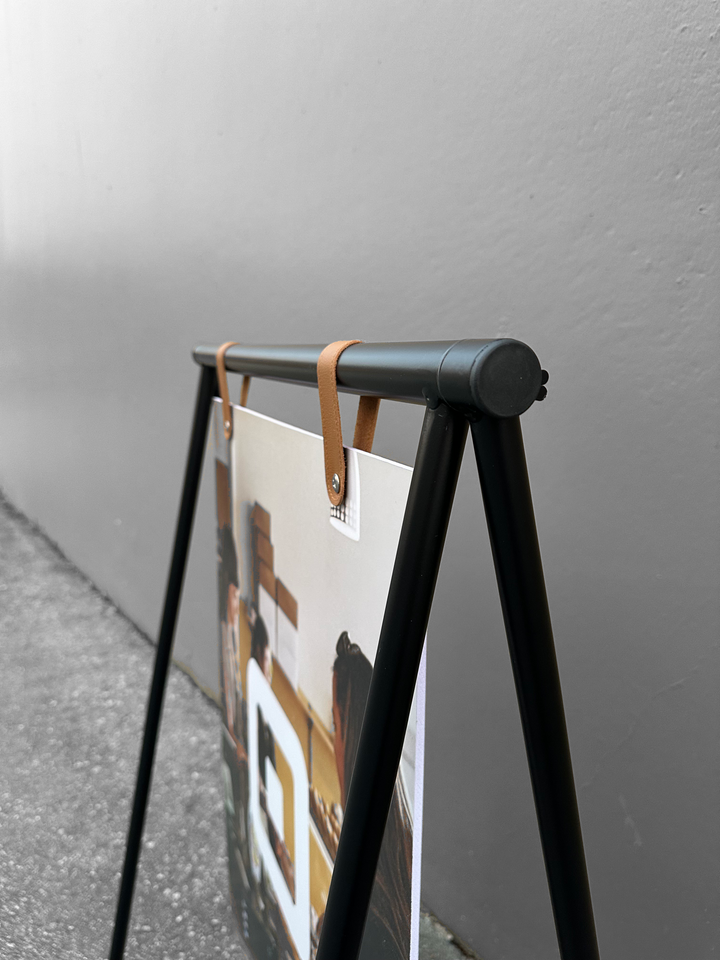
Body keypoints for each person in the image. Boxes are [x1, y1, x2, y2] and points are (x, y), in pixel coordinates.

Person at [331, 632, 413, 960]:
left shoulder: (366, 912)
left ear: (353, 744)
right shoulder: (397, 847)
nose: (334, 743)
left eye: (335, 728)